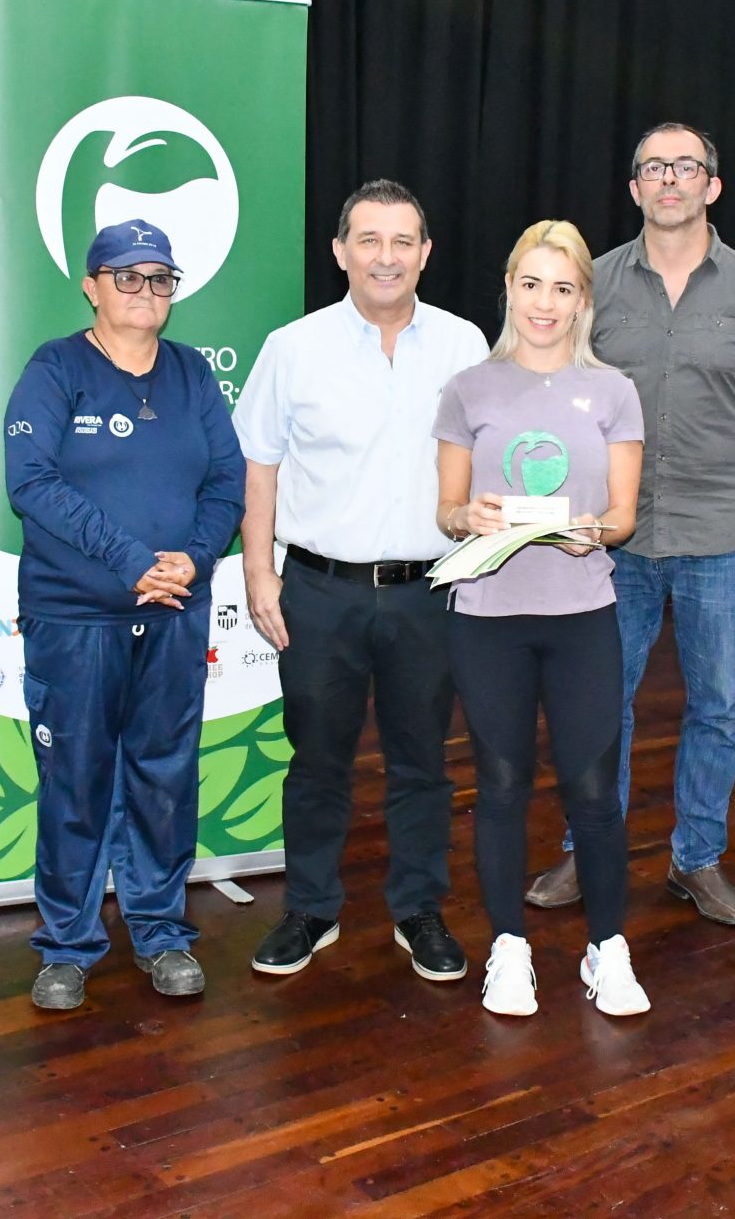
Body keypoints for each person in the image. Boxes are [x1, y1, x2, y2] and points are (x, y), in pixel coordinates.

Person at [526, 123, 735, 926]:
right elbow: (557, 388)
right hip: (613, 539)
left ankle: (697, 858)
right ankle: (589, 848)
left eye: (686, 167)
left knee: (717, 704)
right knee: (598, 701)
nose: (670, 179)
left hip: (722, 535)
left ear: (712, 185)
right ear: (635, 187)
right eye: (654, 167)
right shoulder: (594, 286)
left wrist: (732, 469)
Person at [235, 180, 488, 982]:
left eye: (402, 241)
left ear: (426, 253)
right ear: (340, 250)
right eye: (369, 240)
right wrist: (258, 571)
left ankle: (419, 907)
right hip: (320, 592)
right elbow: (259, 465)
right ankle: (310, 907)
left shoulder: (465, 345)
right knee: (317, 761)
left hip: (430, 592)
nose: (386, 256)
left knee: (422, 760)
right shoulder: (293, 347)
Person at [3, 220, 244, 1011]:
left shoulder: (192, 375)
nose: (146, 291)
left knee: (164, 774)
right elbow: (31, 482)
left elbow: (227, 482)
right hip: (75, 617)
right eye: (128, 276)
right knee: (74, 781)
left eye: (160, 278)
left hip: (175, 612)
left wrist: (195, 558)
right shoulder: (55, 369)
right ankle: (66, 945)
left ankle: (162, 931)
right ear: (92, 284)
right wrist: (129, 557)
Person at [434, 220, 649, 1016]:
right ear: (509, 289)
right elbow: (446, 509)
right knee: (500, 783)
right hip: (488, 616)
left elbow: (623, 517)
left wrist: (592, 529)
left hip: (582, 614)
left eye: (562, 288)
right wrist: (471, 515)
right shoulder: (469, 388)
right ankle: (509, 948)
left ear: (583, 298)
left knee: (593, 789)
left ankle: (607, 948)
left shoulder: (615, 392)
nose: (545, 303)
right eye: (531, 284)